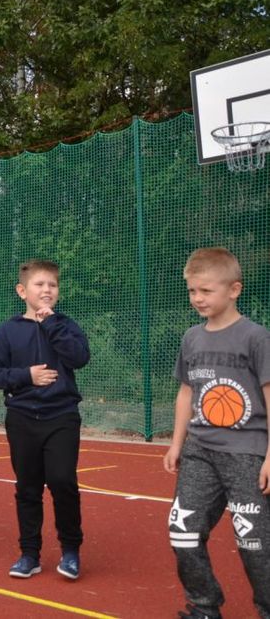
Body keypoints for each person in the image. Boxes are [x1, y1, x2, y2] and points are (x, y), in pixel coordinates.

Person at [163, 247, 270, 619]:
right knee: (183, 531)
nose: (197, 298)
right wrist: (177, 443)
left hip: (246, 453)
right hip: (200, 451)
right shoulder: (192, 338)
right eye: (192, 291)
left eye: (206, 290)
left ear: (234, 289)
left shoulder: (256, 337)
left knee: (255, 543)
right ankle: (204, 606)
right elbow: (186, 392)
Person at [0, 259, 88, 580]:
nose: (46, 290)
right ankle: (29, 554)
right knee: (28, 488)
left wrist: (51, 323)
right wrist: (26, 376)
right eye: (39, 284)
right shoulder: (7, 331)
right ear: (22, 291)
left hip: (62, 416)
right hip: (22, 418)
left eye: (52, 285)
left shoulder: (65, 325)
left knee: (62, 481)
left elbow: (79, 358)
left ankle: (70, 551)